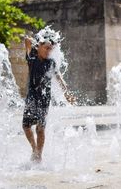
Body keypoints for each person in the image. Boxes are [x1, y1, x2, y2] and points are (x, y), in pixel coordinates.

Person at [22, 30, 72, 163]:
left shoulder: (50, 63)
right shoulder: (32, 58)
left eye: (51, 48)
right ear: (39, 47)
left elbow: (59, 78)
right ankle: (34, 149)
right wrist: (31, 40)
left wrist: (66, 93)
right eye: (46, 48)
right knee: (26, 126)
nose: (49, 51)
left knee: (40, 128)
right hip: (32, 97)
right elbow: (27, 42)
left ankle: (39, 155)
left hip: (44, 98)